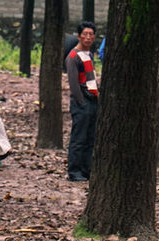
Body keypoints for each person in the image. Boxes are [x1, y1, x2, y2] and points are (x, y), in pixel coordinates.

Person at [64, 21, 98, 182]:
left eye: (91, 34)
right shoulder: (73, 57)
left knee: (90, 137)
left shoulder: (89, 54)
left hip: (93, 99)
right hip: (82, 101)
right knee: (78, 137)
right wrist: (81, 101)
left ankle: (86, 168)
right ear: (79, 36)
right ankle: (74, 170)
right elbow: (73, 82)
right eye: (85, 34)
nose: (88, 37)